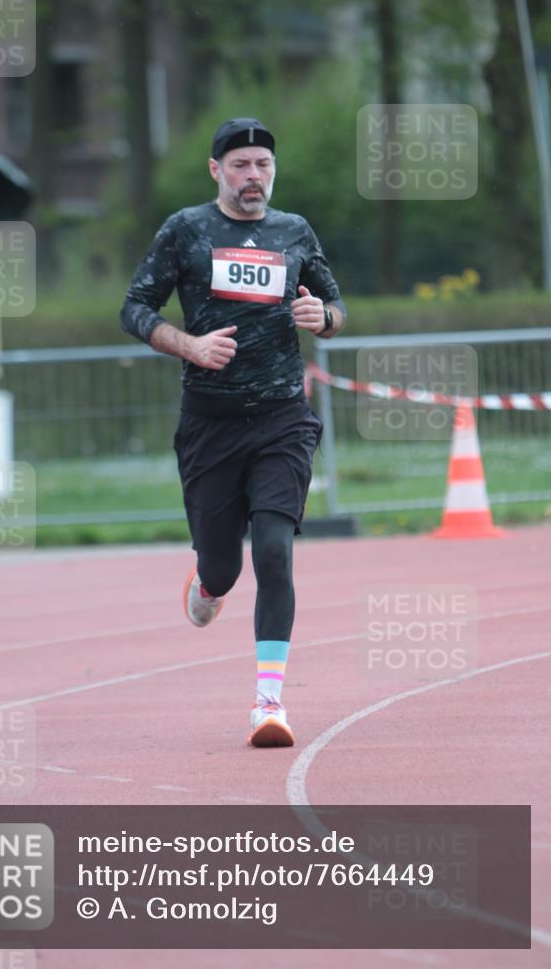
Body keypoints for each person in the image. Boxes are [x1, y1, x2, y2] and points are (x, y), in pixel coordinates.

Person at [121, 117, 346, 747]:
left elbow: (336, 307)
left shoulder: (293, 231)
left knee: (274, 550)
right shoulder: (186, 230)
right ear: (217, 170)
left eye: (264, 166)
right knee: (223, 568)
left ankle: (268, 704)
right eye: (242, 165)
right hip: (210, 423)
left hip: (280, 418)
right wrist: (187, 344)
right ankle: (207, 580)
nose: (255, 177)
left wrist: (321, 316)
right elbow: (134, 309)